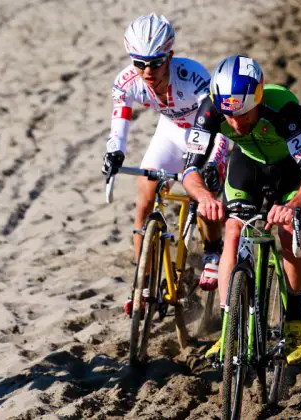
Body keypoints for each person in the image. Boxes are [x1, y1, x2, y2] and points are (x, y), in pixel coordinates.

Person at [182, 55, 301, 365]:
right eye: (228, 116)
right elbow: (189, 170)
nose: (235, 123)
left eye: (244, 114)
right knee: (232, 230)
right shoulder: (211, 108)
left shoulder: (283, 108)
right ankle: (229, 329)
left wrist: (293, 205)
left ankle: (294, 322)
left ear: (259, 98)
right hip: (247, 167)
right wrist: (205, 196)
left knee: (290, 236)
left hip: (291, 174)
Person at [101, 13, 226, 315]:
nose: (146, 71)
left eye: (155, 63)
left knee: (205, 195)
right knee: (143, 198)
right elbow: (119, 123)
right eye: (138, 62)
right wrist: (114, 152)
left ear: (169, 56)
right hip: (170, 134)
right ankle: (142, 284)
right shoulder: (127, 81)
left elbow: (218, 124)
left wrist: (214, 160)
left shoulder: (193, 76)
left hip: (205, 135)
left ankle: (212, 252)